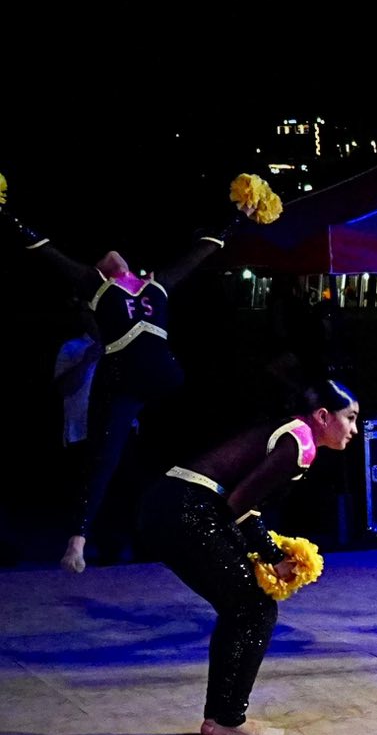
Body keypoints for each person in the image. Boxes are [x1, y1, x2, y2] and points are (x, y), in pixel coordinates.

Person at [9, 196, 242, 572]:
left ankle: (219, 518)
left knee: (206, 440)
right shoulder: (94, 285)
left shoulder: (159, 283)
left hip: (164, 374)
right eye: (103, 259)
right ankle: (77, 541)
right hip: (123, 375)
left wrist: (240, 213)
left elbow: (206, 247)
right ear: (100, 272)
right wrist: (5, 212)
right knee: (104, 457)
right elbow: (44, 248)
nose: (112, 256)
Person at [135, 382, 360, 735]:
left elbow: (240, 505)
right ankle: (228, 719)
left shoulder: (290, 432)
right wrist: (273, 557)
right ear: (323, 416)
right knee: (254, 609)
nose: (354, 429)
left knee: (242, 607)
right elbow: (240, 503)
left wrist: (265, 551)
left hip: (174, 506)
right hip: (186, 510)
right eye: (350, 418)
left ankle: (219, 718)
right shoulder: (301, 442)